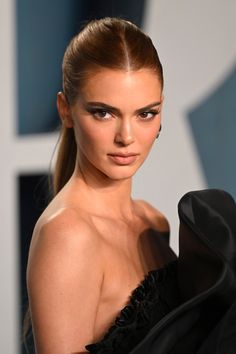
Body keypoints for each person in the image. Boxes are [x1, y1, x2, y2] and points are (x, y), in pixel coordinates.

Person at [26, 17, 179, 354]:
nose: (126, 137)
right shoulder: (67, 235)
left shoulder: (154, 223)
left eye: (145, 114)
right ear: (66, 110)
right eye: (103, 113)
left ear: (161, 110)